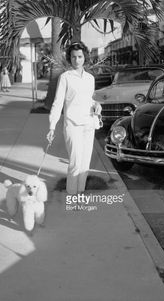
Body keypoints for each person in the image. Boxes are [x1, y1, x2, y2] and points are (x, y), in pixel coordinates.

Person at [46, 41, 102, 195]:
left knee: (84, 165)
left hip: (88, 124)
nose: (76, 60)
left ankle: (80, 195)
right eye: (73, 57)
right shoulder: (65, 77)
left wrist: (96, 104)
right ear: (69, 58)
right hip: (72, 125)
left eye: (80, 57)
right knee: (75, 163)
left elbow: (89, 99)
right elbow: (58, 103)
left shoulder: (90, 78)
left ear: (85, 58)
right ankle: (72, 195)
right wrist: (52, 126)